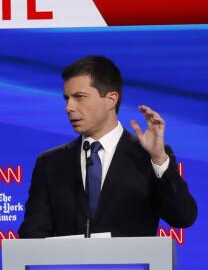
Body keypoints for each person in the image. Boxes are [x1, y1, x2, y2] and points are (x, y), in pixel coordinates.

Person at [19, 55, 197, 238]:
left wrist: (158, 159)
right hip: (67, 267)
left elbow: (183, 217)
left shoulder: (148, 156)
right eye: (67, 99)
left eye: (79, 97)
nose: (69, 107)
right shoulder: (50, 163)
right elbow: (33, 233)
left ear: (111, 100)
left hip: (132, 266)